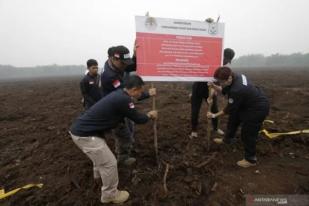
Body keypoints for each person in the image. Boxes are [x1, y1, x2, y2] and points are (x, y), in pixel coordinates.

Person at [69, 75, 158, 204]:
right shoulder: (123, 100)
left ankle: (98, 175)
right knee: (110, 163)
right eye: (140, 90)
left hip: (83, 131)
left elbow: (134, 101)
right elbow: (139, 118)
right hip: (86, 135)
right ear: (134, 89)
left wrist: (147, 95)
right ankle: (109, 195)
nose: (141, 92)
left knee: (100, 156)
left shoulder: (120, 93)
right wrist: (150, 115)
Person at [101, 45, 156, 165]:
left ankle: (128, 147)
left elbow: (131, 66)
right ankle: (123, 158)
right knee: (123, 133)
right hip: (114, 110)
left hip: (121, 103)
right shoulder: (109, 76)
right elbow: (129, 92)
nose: (125, 66)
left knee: (129, 127)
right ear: (113, 59)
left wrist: (136, 54)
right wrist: (147, 94)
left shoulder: (114, 64)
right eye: (123, 63)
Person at [207, 66, 269, 168]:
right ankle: (227, 140)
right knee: (233, 120)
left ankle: (250, 159)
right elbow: (224, 89)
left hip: (257, 109)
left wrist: (214, 115)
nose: (221, 83)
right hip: (246, 103)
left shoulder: (237, 90)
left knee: (248, 133)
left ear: (229, 78)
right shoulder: (236, 76)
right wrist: (214, 86)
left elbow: (228, 109)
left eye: (222, 81)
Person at [189, 48, 235, 138]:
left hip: (210, 90)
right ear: (223, 56)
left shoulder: (221, 67)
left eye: (229, 61)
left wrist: (213, 92)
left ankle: (215, 128)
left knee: (214, 109)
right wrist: (193, 93)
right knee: (195, 110)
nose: (226, 63)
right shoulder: (210, 61)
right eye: (227, 60)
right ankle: (194, 131)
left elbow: (217, 80)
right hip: (198, 88)